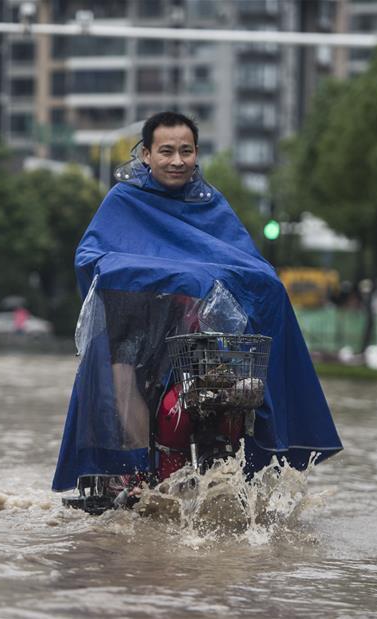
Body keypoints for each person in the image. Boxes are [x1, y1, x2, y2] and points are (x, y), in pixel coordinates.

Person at [52, 111, 342, 495]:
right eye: (166, 151)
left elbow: (246, 264)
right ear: (145, 155)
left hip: (195, 331)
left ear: (197, 153)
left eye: (185, 151)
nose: (176, 161)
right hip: (133, 324)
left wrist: (236, 284)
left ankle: (240, 468)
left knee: (237, 373)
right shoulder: (124, 200)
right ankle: (137, 472)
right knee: (122, 370)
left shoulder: (211, 204)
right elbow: (90, 256)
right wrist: (141, 273)